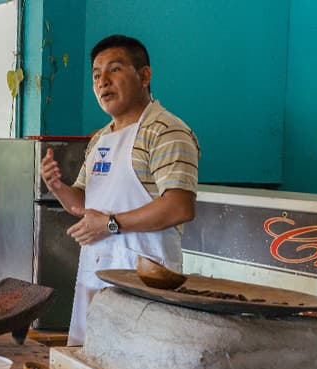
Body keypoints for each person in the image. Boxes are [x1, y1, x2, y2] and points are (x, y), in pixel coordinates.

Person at [39, 34, 199, 345]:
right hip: (96, 274)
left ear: (145, 75)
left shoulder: (166, 132)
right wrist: (57, 187)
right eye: (97, 75)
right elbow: (83, 205)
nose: (103, 82)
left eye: (114, 69)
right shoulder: (100, 139)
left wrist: (110, 224)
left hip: (145, 282)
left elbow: (179, 207)